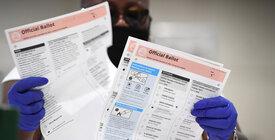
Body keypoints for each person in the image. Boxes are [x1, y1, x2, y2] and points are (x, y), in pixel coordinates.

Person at [2, 0, 248, 140]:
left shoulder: (184, 73)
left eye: (133, 13)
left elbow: (232, 134)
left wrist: (227, 135)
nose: (120, 22)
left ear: (148, 20)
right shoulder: (35, 72)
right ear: (83, 14)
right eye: (106, 12)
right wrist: (17, 124)